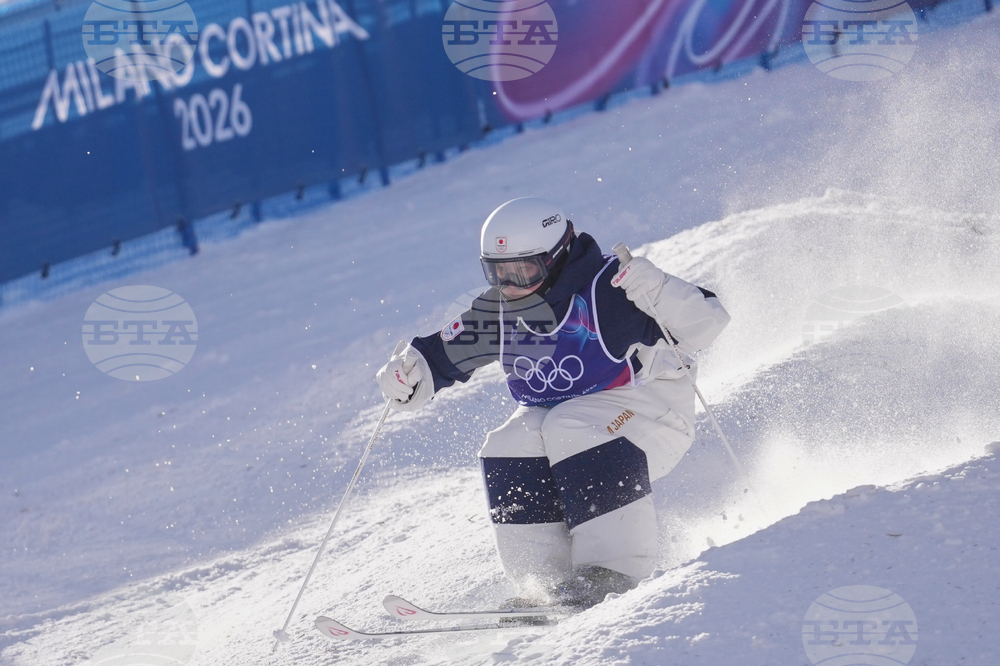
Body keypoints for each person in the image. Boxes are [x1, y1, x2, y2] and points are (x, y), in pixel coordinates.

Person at [376, 197, 730, 607]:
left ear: (556, 256)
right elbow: (438, 356)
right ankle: (545, 583)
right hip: (574, 424)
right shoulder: (499, 311)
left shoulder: (609, 291)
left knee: (571, 424)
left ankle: (612, 572)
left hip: (652, 414)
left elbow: (708, 324)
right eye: (496, 271)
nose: (508, 283)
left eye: (522, 269)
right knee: (508, 444)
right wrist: (410, 375)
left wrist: (660, 291)